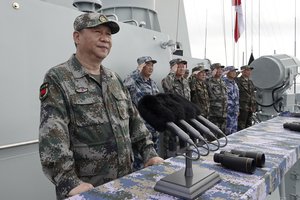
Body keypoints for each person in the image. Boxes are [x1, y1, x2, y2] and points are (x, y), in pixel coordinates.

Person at [38, 13, 163, 200]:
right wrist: (69, 182)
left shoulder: (114, 79)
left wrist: (149, 154)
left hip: (125, 182)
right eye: (97, 32)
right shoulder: (58, 78)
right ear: (77, 37)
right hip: (87, 189)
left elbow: (134, 121)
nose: (105, 39)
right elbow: (53, 136)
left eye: (109, 34)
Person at [123, 56, 160, 169]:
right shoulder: (134, 82)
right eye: (147, 64)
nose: (151, 67)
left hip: (153, 126)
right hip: (140, 128)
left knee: (153, 157)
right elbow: (124, 85)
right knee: (139, 160)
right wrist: (137, 70)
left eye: (152, 65)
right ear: (141, 66)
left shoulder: (153, 83)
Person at [206, 63, 228, 134]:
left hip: (223, 112)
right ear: (213, 70)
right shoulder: (208, 81)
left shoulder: (222, 81)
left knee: (222, 134)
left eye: (221, 69)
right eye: (218, 69)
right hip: (214, 114)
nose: (220, 71)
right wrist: (211, 75)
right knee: (213, 135)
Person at [236, 65, 257, 130]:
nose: (249, 72)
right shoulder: (238, 81)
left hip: (250, 107)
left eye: (250, 70)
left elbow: (252, 94)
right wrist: (238, 72)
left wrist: (254, 105)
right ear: (243, 71)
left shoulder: (250, 82)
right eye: (247, 70)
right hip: (242, 107)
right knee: (241, 126)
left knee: (249, 125)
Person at [222, 66, 239, 135]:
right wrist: (223, 73)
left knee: (234, 129)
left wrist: (237, 109)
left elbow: (237, 97)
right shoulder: (223, 82)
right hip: (227, 110)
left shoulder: (234, 83)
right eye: (232, 71)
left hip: (234, 110)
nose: (234, 73)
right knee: (227, 130)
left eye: (235, 71)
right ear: (227, 72)